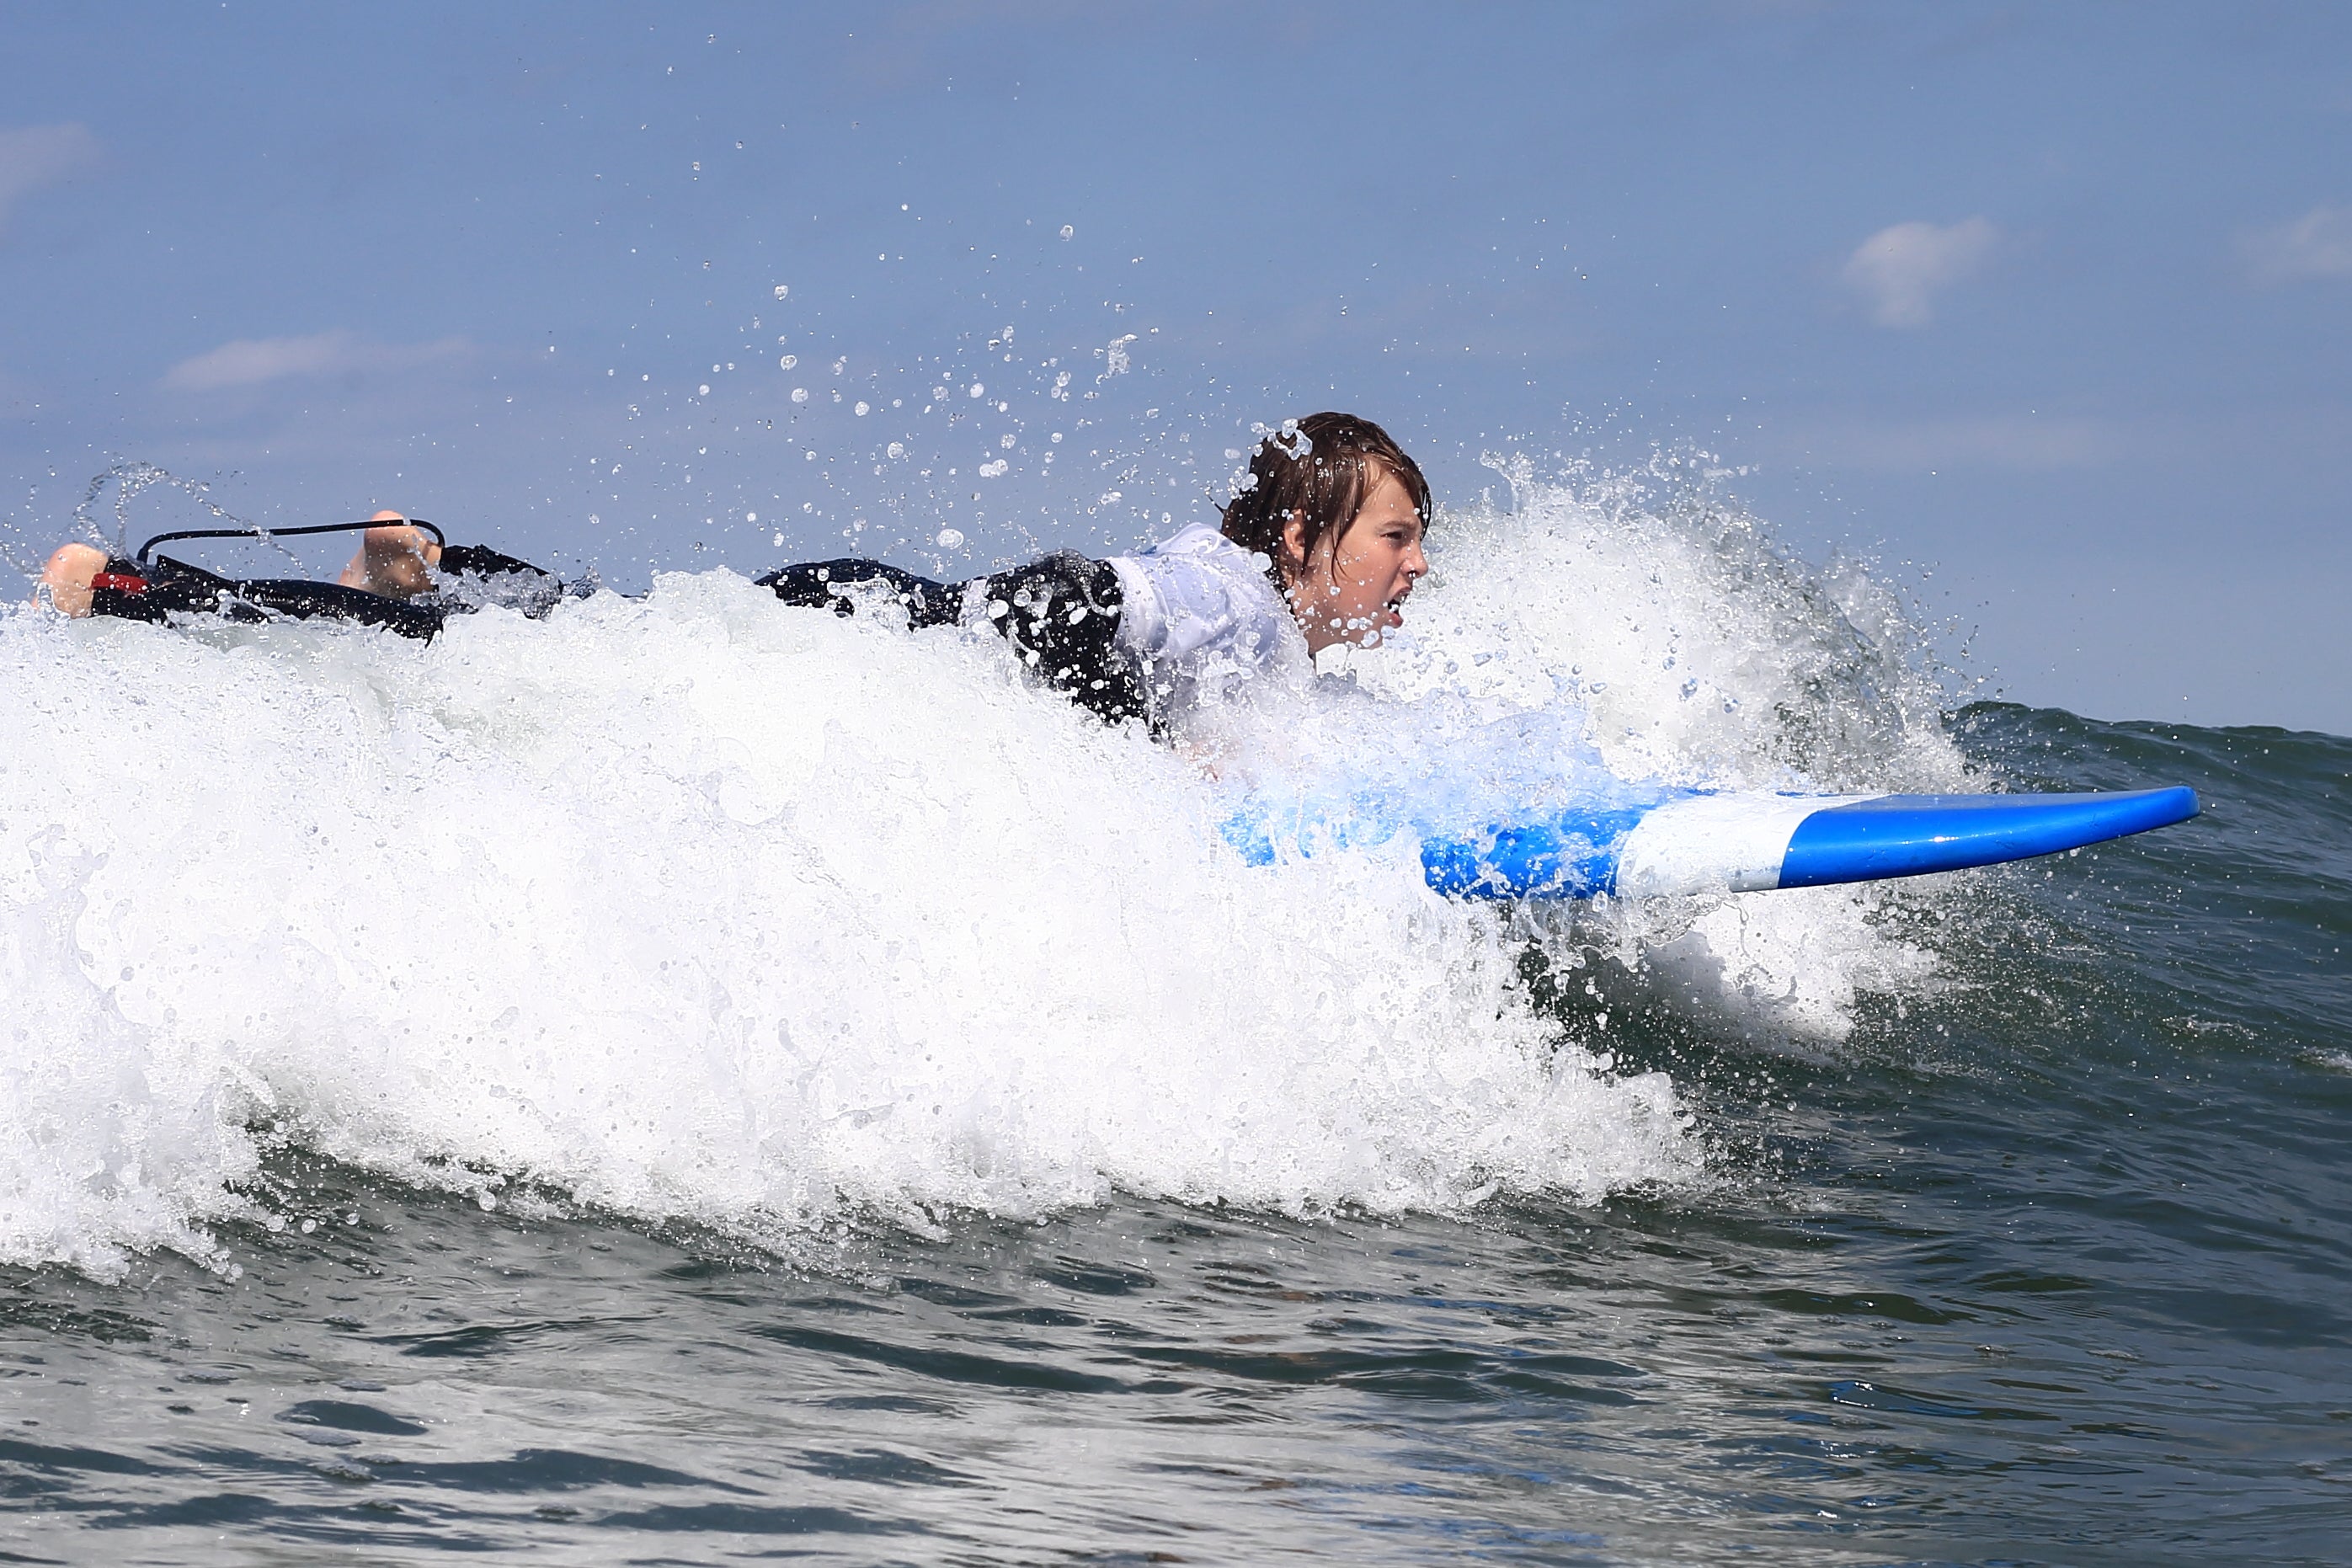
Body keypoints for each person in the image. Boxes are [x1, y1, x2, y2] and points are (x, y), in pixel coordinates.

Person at [30, 411, 1432, 733]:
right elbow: (1064, 597)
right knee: (534, 664)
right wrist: (1125, 744)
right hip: (877, 636)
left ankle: (432, 560)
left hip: (862, 611)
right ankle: (141, 592)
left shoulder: (1250, 619)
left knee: (589, 631)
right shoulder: (1240, 605)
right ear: (1299, 540)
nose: (1416, 566)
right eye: (1392, 537)